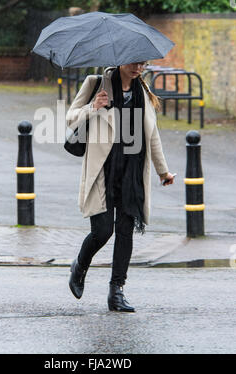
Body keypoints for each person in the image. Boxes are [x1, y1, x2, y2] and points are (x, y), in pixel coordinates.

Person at [66, 62, 175, 312]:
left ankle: (117, 291)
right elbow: (70, 118)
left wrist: (163, 171)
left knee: (125, 231)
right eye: (135, 62)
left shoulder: (144, 91)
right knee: (102, 232)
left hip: (132, 173)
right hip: (103, 171)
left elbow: (152, 135)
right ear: (121, 60)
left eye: (143, 63)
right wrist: (93, 107)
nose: (139, 67)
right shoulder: (95, 84)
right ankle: (80, 265)